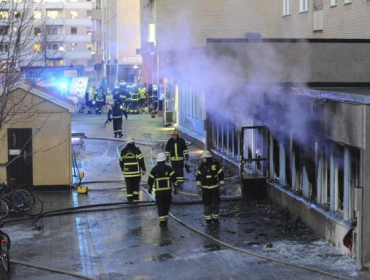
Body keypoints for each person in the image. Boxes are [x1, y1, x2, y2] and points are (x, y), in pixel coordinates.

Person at [148, 152, 178, 227]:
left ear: (158, 161)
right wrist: (176, 187)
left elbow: (150, 180)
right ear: (164, 160)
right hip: (167, 192)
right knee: (166, 205)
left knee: (160, 206)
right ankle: (166, 219)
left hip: (159, 193)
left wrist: (150, 188)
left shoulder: (154, 169)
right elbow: (174, 178)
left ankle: (162, 222)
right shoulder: (169, 168)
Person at [196, 150, 225, 226]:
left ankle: (215, 219)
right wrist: (199, 187)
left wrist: (222, 185)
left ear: (208, 158)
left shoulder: (215, 165)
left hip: (214, 188)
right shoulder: (201, 167)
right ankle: (208, 221)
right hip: (205, 189)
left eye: (204, 158)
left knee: (215, 204)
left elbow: (221, 175)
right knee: (206, 205)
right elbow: (198, 177)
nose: (203, 160)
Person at [119, 137, 146, 202]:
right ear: (133, 142)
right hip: (136, 172)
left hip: (127, 173)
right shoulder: (137, 150)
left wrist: (123, 169)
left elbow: (120, 161)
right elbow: (141, 160)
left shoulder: (123, 151)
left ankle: (130, 199)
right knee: (136, 184)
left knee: (129, 185)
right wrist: (143, 169)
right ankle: (136, 197)